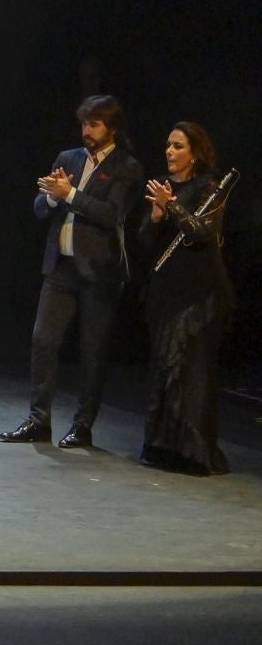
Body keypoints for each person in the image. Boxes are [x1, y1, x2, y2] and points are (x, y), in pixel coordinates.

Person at [1, 94, 143, 448]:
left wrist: (70, 194)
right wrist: (52, 196)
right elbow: (40, 208)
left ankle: (82, 425)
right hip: (61, 267)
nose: (86, 131)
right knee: (43, 340)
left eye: (94, 125)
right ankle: (39, 421)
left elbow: (112, 214)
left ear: (112, 128)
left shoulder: (127, 167)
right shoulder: (68, 158)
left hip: (100, 271)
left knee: (92, 350)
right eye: (84, 124)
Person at [137, 122, 235, 475]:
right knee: (165, 368)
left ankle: (193, 452)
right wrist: (156, 217)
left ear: (194, 153)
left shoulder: (209, 187)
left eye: (178, 146)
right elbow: (145, 242)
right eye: (168, 145)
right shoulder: (163, 187)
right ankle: (163, 447)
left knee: (189, 370)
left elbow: (201, 232)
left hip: (199, 293)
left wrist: (173, 206)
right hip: (167, 291)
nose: (170, 151)